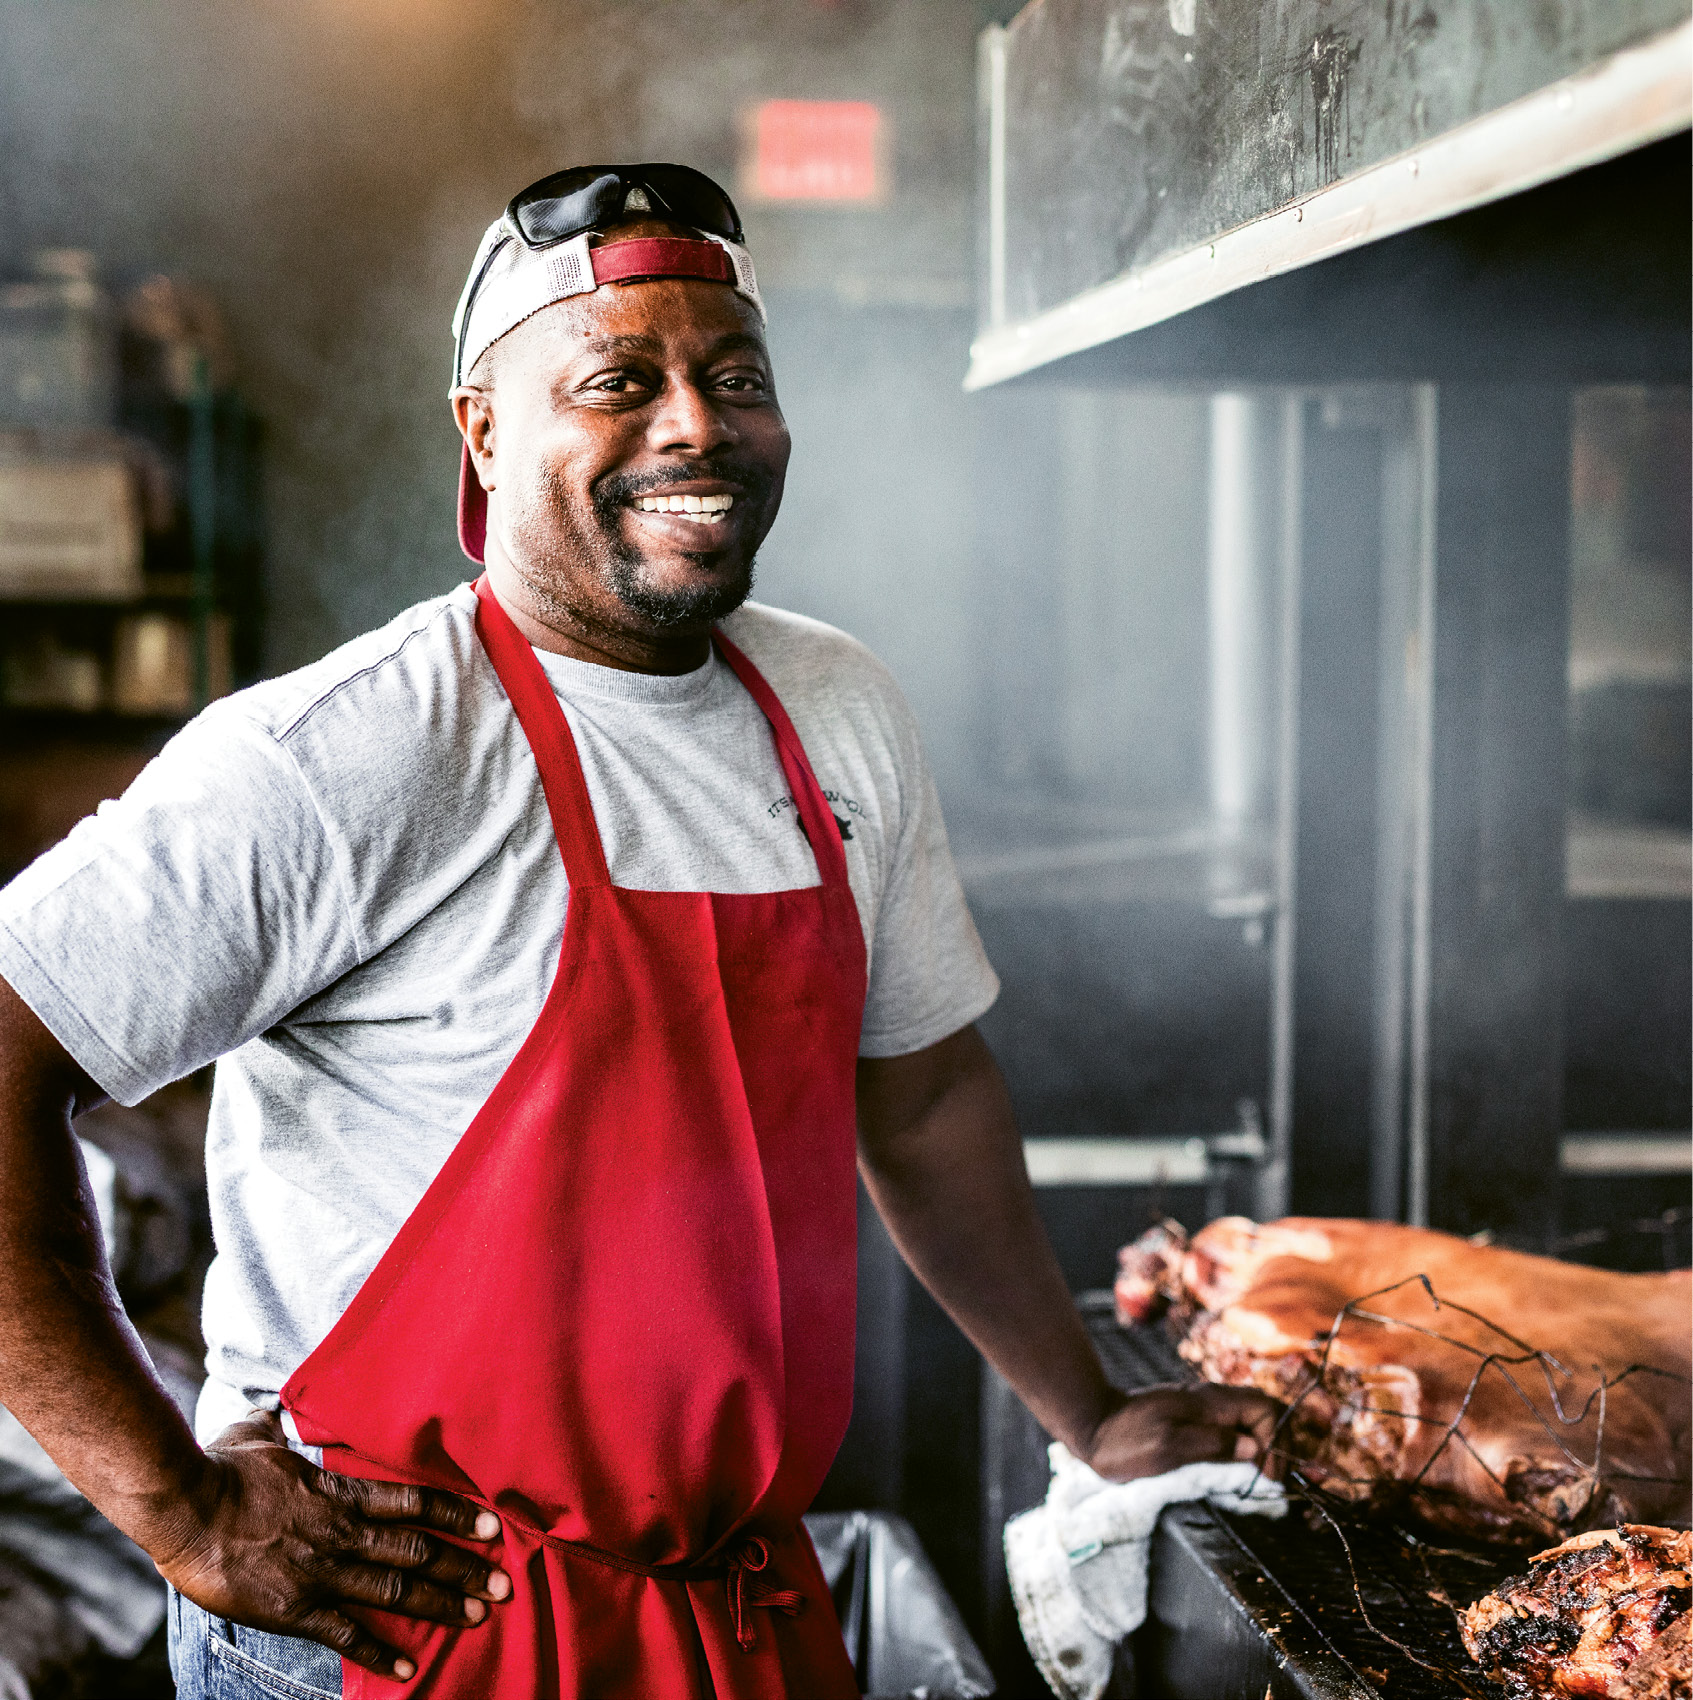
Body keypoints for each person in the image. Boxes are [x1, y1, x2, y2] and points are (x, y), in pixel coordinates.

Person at [0, 164, 1277, 1699]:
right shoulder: (351, 750)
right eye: (619, 379)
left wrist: (1089, 1411)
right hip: (398, 1627)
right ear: (483, 430)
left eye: (734, 377)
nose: (695, 425)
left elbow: (922, 1097)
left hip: (728, 1600)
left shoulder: (836, 707)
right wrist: (179, 1508)